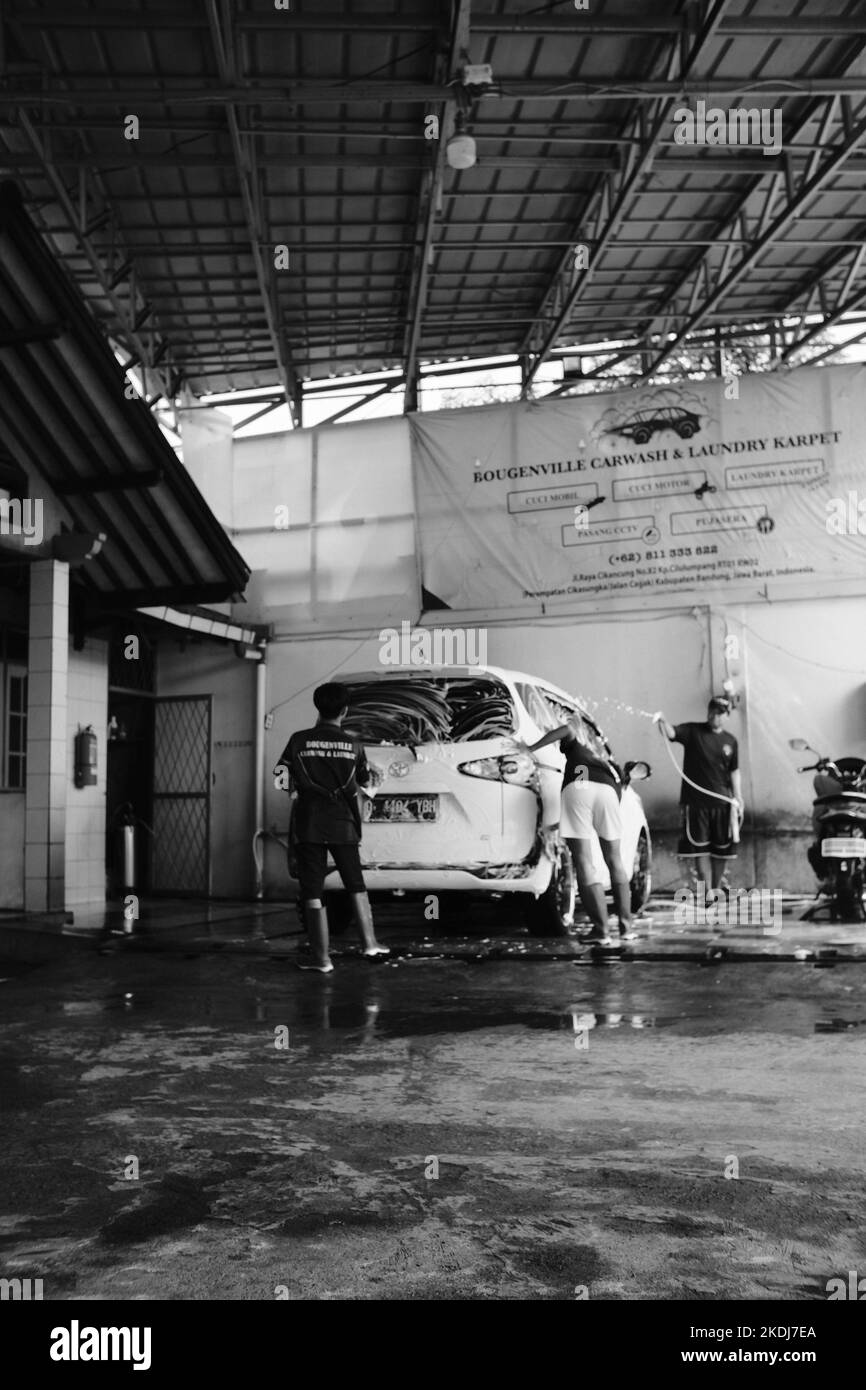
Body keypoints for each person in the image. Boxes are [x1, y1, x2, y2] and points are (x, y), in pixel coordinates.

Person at [274, 682, 388, 973]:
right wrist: (377, 776)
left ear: (317, 707)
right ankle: (370, 944)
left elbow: (281, 778)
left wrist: (295, 789)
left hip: (309, 823)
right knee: (355, 882)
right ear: (345, 710)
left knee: (312, 889)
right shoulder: (354, 745)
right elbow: (365, 781)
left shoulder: (298, 740)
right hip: (344, 824)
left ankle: (322, 959)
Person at [523, 716, 635, 945]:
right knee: (615, 861)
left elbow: (566, 729)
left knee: (585, 863)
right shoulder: (606, 763)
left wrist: (530, 748)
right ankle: (626, 928)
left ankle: (601, 931)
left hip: (579, 786)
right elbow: (611, 797)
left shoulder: (578, 748)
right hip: (608, 794)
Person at [653, 697, 743, 896]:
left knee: (721, 851)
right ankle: (705, 893)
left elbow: (734, 771)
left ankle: (716, 890)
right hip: (696, 803)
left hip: (722, 803)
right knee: (699, 850)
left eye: (719, 713)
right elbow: (671, 733)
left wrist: (738, 796)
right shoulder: (693, 732)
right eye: (711, 711)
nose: (714, 716)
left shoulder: (730, 741)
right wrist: (662, 720)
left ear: (726, 715)